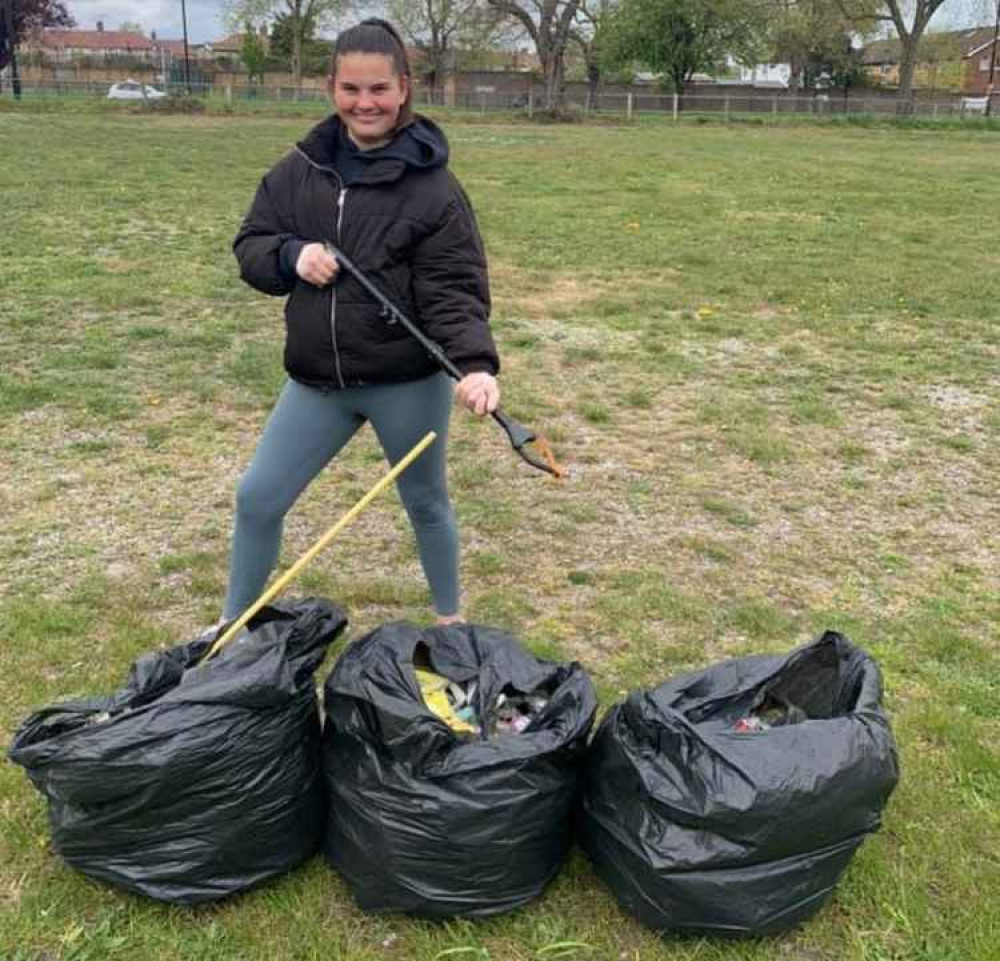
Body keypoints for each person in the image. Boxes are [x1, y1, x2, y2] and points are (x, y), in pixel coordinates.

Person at [225, 18, 500, 627]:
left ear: (403, 89)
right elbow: (251, 244)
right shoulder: (299, 169)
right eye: (351, 88)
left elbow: (453, 289)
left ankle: (451, 627)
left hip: (405, 380)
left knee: (427, 504)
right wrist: (291, 255)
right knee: (257, 499)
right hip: (317, 382)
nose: (365, 102)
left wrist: (476, 365)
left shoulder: (434, 190)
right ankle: (233, 628)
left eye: (378, 89)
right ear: (331, 88)